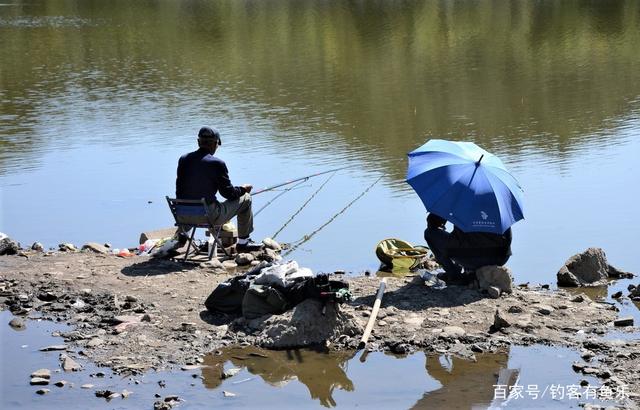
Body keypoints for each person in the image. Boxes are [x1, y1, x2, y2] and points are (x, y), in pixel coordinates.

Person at [176, 126, 261, 252]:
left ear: (198, 142)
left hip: (182, 215)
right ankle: (243, 243)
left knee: (197, 201)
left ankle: (182, 235)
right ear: (216, 143)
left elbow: (180, 190)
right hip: (207, 217)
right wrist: (243, 189)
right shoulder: (217, 163)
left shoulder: (183, 159)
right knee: (246, 199)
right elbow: (228, 194)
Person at [424, 212, 512, 284]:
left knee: (429, 233)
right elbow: (509, 239)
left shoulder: (459, 198)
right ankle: (471, 272)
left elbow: (432, 223)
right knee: (469, 240)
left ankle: (454, 275)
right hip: (500, 258)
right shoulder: (499, 205)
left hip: (469, 259)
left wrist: (444, 220)